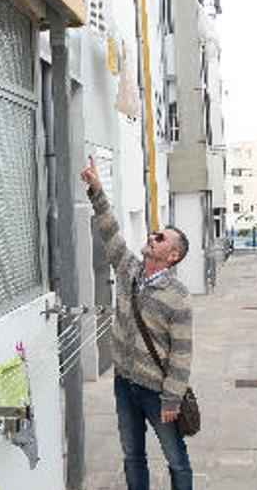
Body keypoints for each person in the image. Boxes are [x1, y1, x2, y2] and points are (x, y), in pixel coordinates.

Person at [81, 156, 194, 490]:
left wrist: (172, 399)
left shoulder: (178, 295)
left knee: (176, 459)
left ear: (172, 256)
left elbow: (182, 355)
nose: (152, 237)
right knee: (132, 456)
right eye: (154, 233)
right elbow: (109, 231)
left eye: (160, 238)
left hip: (158, 393)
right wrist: (97, 190)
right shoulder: (129, 269)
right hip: (124, 384)